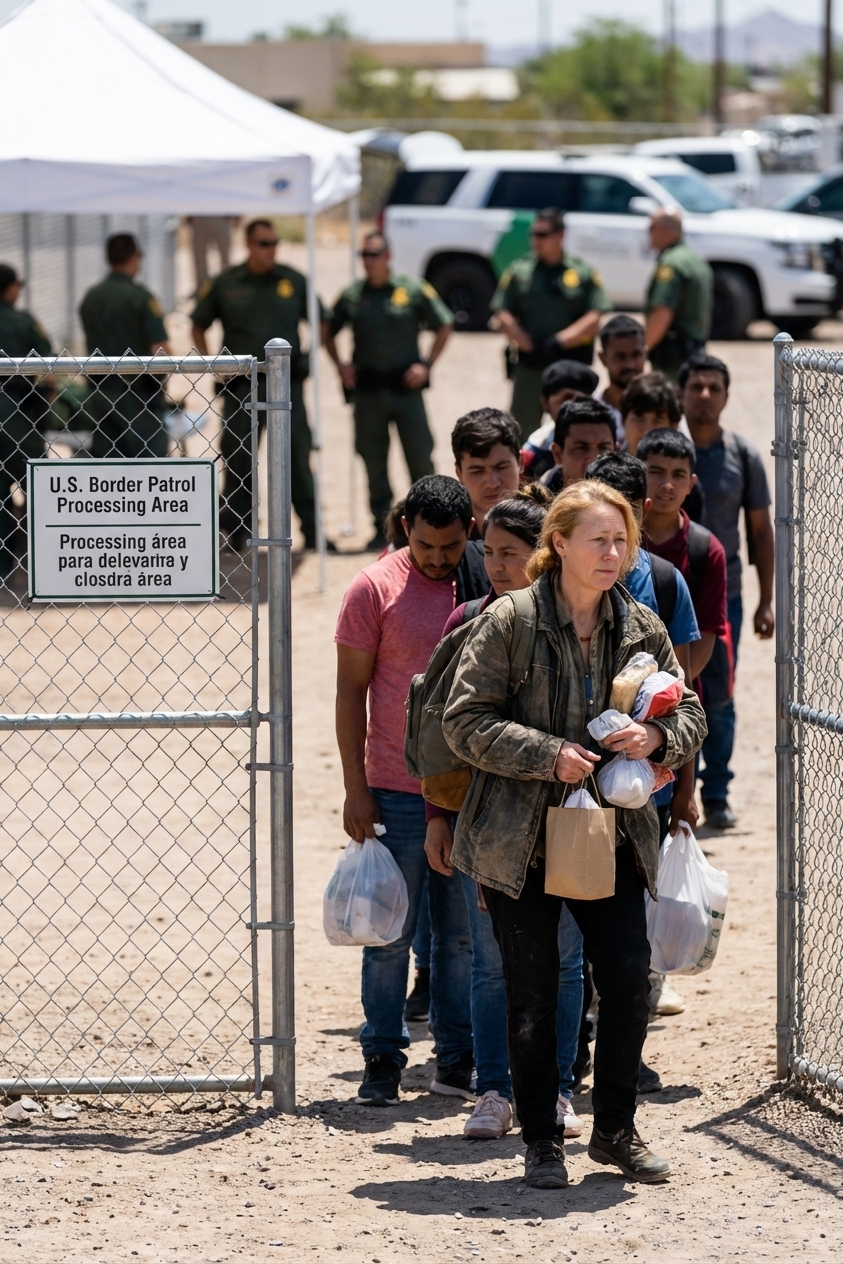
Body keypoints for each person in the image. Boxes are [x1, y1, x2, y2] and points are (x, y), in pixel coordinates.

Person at [441, 481, 706, 1187]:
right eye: (598, 540)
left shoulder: (641, 627)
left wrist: (652, 734)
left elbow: (690, 715)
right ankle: (541, 1142)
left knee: (624, 981)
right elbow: (463, 721)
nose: (613, 553)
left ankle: (614, 1131)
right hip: (519, 839)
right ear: (558, 544)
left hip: (611, 838)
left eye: (620, 540)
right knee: (530, 994)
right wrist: (545, 755)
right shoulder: (510, 623)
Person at [425, 486, 586, 1142]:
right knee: (493, 962)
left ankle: (558, 1090)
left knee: (567, 957)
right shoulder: (466, 621)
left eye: (509, 553)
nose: (494, 565)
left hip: (568, 817)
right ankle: (493, 1092)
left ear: (544, 554)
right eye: (487, 552)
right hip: (487, 820)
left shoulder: (581, 619)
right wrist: (439, 814)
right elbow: (437, 731)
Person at [335, 475, 474, 1106]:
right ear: (405, 530)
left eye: (450, 546)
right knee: (388, 934)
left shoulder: (482, 580)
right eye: (426, 546)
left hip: (472, 791)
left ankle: (456, 1058)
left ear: (468, 531)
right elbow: (350, 692)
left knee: (461, 935)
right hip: (394, 789)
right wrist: (354, 787)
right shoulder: (374, 588)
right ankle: (383, 1059)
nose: (439, 558)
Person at [679, 353, 774, 830]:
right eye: (697, 386)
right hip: (668, 591)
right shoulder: (667, 455)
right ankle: (677, 792)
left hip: (724, 595)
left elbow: (761, 530)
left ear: (726, 395)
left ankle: (716, 792)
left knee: (719, 693)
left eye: (714, 387)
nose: (705, 395)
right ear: (681, 392)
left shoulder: (743, 454)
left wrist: (766, 599)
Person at [191, 218, 324, 553]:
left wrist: (309, 354)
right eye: (264, 243)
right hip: (241, 386)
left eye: (275, 243)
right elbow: (198, 323)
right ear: (249, 244)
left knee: (295, 455)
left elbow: (323, 319)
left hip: (286, 387)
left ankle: (311, 529)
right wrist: (213, 366)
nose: (271, 249)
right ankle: (239, 529)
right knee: (238, 456)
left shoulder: (293, 281)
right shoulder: (227, 282)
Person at [325, 231, 454, 551]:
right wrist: (340, 365)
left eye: (375, 254)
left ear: (388, 255)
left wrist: (426, 364)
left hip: (405, 390)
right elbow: (326, 327)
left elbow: (444, 323)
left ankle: (431, 520)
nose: (369, 261)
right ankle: (382, 528)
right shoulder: (354, 295)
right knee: (373, 460)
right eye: (364, 255)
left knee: (419, 455)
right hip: (368, 392)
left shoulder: (410, 290)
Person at [492, 207, 611, 431]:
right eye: (534, 234)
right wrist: (528, 343)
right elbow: (502, 312)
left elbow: (595, 316)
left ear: (560, 235)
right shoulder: (520, 271)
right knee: (521, 431)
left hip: (569, 364)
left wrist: (557, 342)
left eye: (543, 234)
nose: (536, 240)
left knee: (577, 429)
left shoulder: (582, 272)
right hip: (531, 365)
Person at [79, 233, 171, 460]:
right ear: (134, 257)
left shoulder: (91, 297)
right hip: (138, 391)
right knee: (149, 463)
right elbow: (160, 349)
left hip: (99, 391)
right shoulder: (141, 298)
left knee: (108, 463)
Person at [0, 263, 52, 580]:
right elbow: (47, 365)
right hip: (18, 412)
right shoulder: (22, 322)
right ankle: (47, 564)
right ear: (9, 288)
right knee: (40, 487)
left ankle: (3, 569)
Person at [645, 208, 713, 380]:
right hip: (694, 348)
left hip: (673, 357)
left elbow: (662, 312)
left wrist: (643, 349)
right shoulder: (695, 260)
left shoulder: (671, 263)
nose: (648, 234)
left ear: (661, 229)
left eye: (650, 228)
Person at [521, 360, 599, 480]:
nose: (573, 408)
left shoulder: (604, 439)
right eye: (566, 400)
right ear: (546, 403)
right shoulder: (535, 451)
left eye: (580, 400)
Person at [451, 407, 522, 535]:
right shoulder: (445, 537)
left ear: (520, 463)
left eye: (501, 467)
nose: (492, 483)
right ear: (459, 474)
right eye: (477, 472)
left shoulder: (548, 530)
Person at [540, 398, 617, 496]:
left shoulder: (633, 501)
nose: (594, 458)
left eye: (603, 448)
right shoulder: (537, 507)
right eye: (582, 448)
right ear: (558, 454)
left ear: (616, 452)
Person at [596, 314, 648, 441]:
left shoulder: (661, 411)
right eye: (620, 357)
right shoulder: (591, 413)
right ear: (603, 358)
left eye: (636, 355)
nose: (629, 365)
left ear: (645, 354)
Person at [620, 372, 683, 456]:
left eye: (658, 421)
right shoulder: (605, 467)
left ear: (673, 427)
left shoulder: (685, 467)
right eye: (639, 419)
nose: (647, 431)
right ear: (623, 421)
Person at [187, 216, 235, 293]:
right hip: (200, 215)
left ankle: (227, 285)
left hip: (222, 215)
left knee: (226, 256)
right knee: (199, 256)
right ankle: (201, 288)